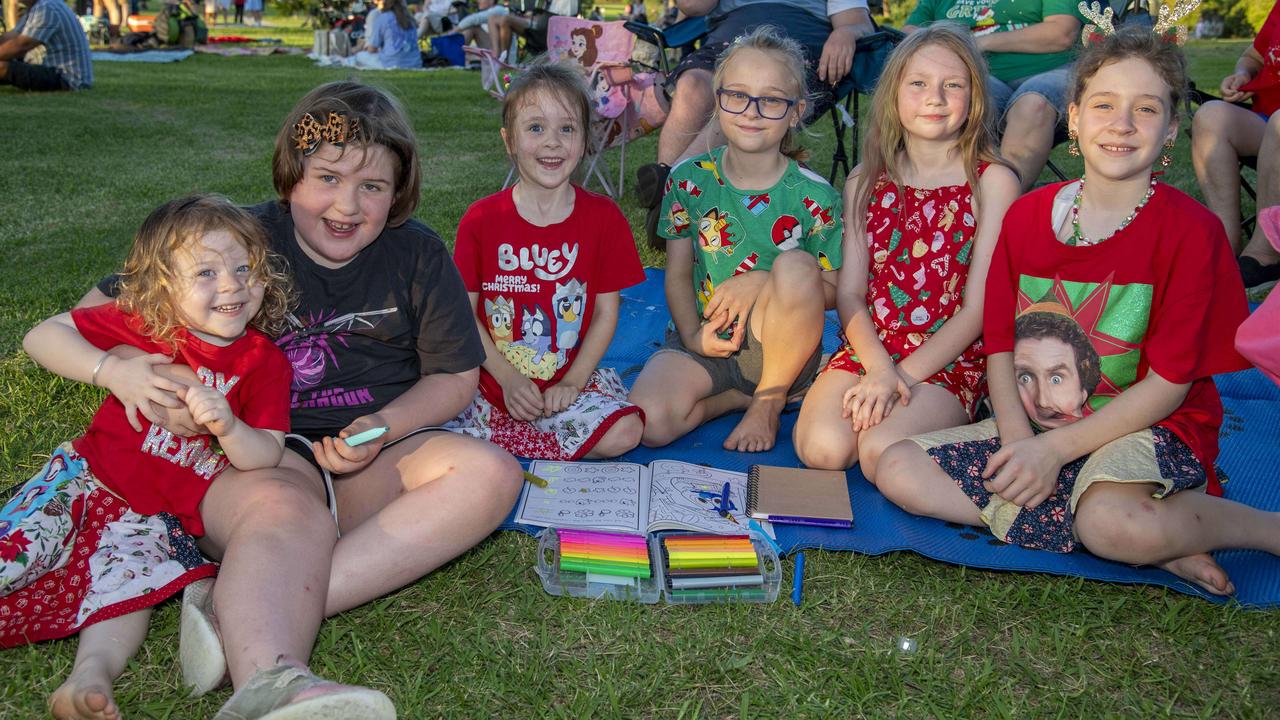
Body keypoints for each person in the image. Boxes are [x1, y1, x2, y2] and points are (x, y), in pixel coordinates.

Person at [81, 81, 522, 718]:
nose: (348, 204)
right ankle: (271, 677)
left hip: (373, 452)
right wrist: (137, 373)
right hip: (256, 452)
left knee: (490, 473)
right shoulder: (236, 240)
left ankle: (236, 597)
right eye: (327, 178)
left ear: (397, 192)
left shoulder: (418, 253)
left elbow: (454, 379)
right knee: (284, 501)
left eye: (372, 186)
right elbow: (97, 310)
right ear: (291, 177)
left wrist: (380, 425)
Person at [875, 27, 1280, 595]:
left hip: (1148, 425)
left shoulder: (1193, 233)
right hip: (1035, 423)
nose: (1121, 124)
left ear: (1170, 129)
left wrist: (1052, 451)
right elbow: (997, 342)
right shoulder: (1026, 215)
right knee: (897, 467)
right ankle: (1151, 541)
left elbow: (1169, 385)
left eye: (1146, 109)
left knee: (1108, 519)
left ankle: (1258, 528)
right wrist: (1019, 440)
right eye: (1104, 105)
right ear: (1074, 116)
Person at [2, 195, 295, 720]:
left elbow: (267, 453)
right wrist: (111, 371)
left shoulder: (264, 361)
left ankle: (89, 676)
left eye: (243, 267)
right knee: (18, 551)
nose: (231, 283)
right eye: (206, 271)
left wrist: (229, 425)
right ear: (163, 287)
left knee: (129, 591)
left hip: (153, 520)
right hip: (88, 480)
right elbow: (41, 335)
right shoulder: (145, 326)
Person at [792, 25, 1019, 476]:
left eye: (952, 85)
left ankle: (980, 420)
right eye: (918, 84)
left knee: (880, 450)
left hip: (948, 357)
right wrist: (878, 369)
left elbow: (977, 310)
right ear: (893, 93)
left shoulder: (992, 182)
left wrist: (902, 378)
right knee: (823, 450)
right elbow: (851, 294)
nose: (935, 97)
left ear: (975, 97)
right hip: (869, 346)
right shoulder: (865, 179)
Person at [629, 26, 843, 453]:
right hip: (707, 339)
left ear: (796, 111)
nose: (752, 111)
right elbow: (675, 275)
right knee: (648, 422)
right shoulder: (689, 180)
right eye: (738, 95)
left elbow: (833, 292)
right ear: (718, 98)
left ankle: (769, 399)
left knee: (796, 264)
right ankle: (738, 398)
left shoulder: (815, 194)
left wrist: (761, 279)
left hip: (781, 347)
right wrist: (691, 337)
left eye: (771, 100)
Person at [448, 63, 646, 460]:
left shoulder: (604, 218)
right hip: (489, 383)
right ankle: (525, 440)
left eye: (567, 129)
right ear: (510, 141)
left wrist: (572, 383)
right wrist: (507, 379)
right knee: (432, 412)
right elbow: (463, 314)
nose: (552, 142)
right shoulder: (482, 219)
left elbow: (607, 313)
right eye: (535, 128)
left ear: (586, 139)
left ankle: (512, 443)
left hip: (566, 387)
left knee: (627, 432)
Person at [633, 0, 875, 246]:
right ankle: (670, 201)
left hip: (796, 49)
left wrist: (846, 32)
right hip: (729, 43)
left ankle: (670, 190)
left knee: (741, 106)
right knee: (692, 86)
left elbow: (857, 22)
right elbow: (692, 7)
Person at [904, 0, 1086, 192]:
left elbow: (1061, 33)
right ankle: (949, 195)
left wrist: (979, 42)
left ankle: (1003, 201)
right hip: (977, 73)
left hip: (1051, 68)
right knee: (958, 95)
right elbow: (909, 34)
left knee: (1033, 104)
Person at [1191, 0, 1280, 291]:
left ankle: (1266, 252)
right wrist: (1243, 74)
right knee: (1210, 116)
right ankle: (1225, 244)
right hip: (1268, 124)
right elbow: (1253, 56)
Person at [0, 0, 92, 91]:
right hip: (55, 71)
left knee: (2, 67)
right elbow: (10, 37)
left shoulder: (46, 7)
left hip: (66, 78)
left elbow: (21, 46)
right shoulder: (38, 7)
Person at [486, 0, 577, 62]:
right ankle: (496, 56)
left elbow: (562, 20)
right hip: (536, 24)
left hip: (545, 31)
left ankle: (502, 60)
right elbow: (539, 12)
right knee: (492, 19)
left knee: (506, 20)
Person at [356, 0, 423, 68]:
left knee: (360, 56)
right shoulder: (411, 19)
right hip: (416, 63)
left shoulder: (382, 18)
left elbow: (372, 49)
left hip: (392, 63)